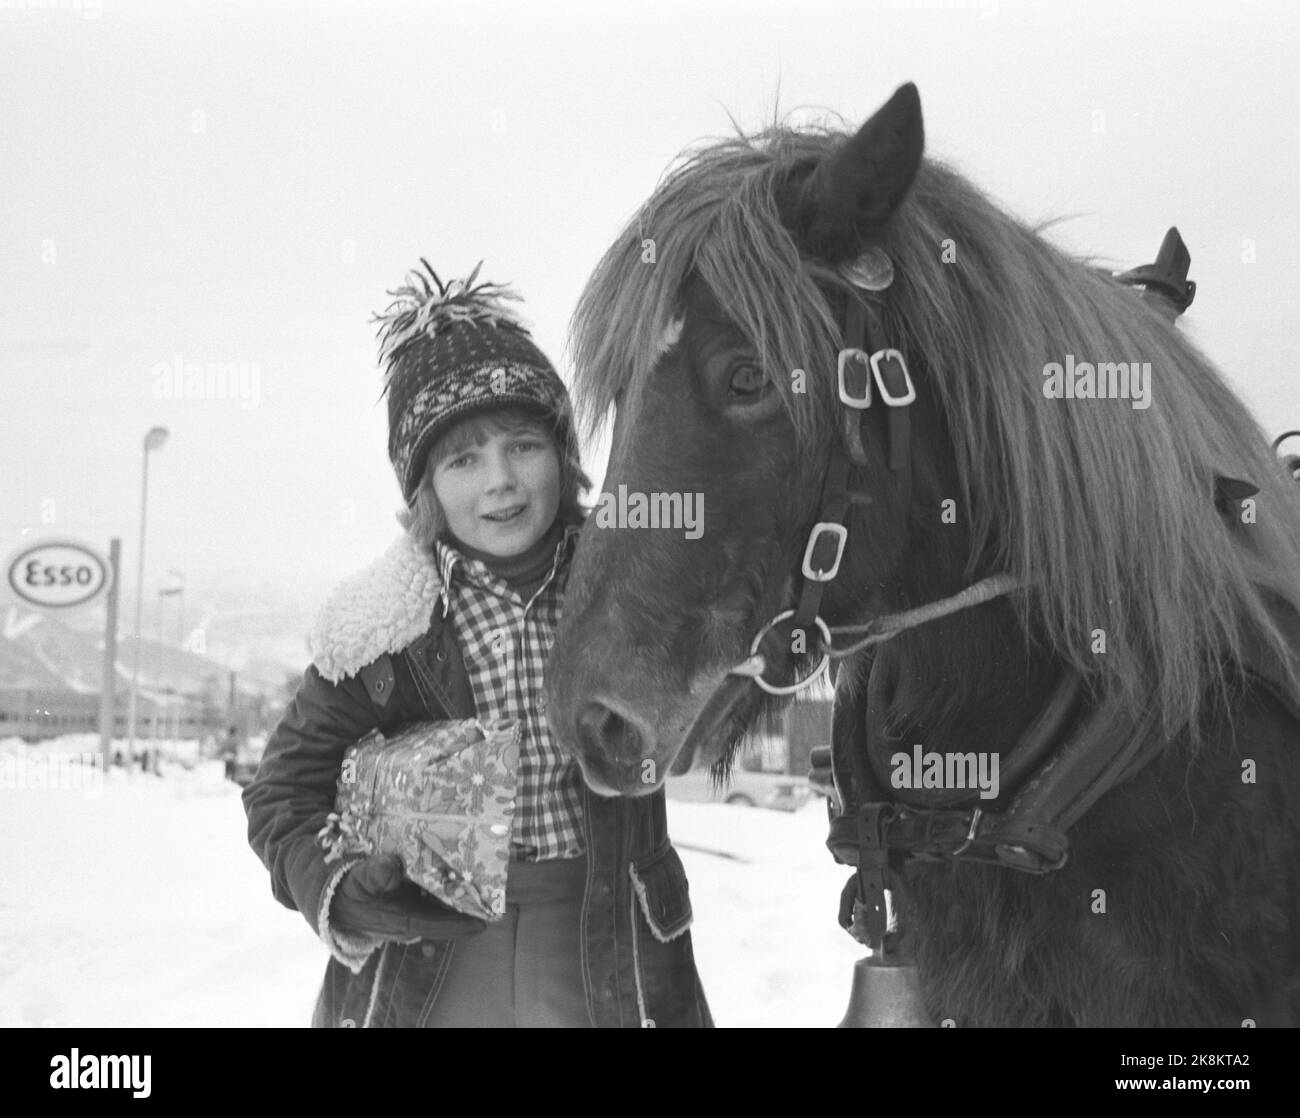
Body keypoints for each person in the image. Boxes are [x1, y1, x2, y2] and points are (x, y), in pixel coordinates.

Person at [242, 261, 712, 1028]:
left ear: (563, 455)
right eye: (463, 460)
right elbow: (281, 793)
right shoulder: (380, 629)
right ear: (423, 488)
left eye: (523, 446)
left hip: (605, 941)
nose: (500, 481)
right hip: (431, 952)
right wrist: (341, 885)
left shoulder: (634, 586)